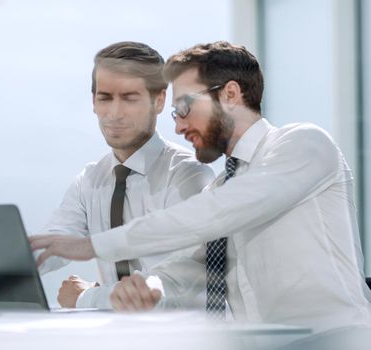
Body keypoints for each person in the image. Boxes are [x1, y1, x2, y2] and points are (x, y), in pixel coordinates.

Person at [30, 41, 371, 335]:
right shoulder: (223, 187)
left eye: (184, 108)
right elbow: (182, 273)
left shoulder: (303, 144)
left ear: (231, 94)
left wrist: (93, 246)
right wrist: (139, 291)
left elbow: (219, 212)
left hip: (336, 340)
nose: (178, 126)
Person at [35, 41, 214, 309]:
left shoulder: (188, 177)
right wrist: (0, 264)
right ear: (93, 103)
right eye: (105, 98)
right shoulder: (90, 180)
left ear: (160, 100)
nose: (114, 113)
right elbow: (55, 242)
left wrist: (86, 298)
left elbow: (175, 290)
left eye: (129, 98)